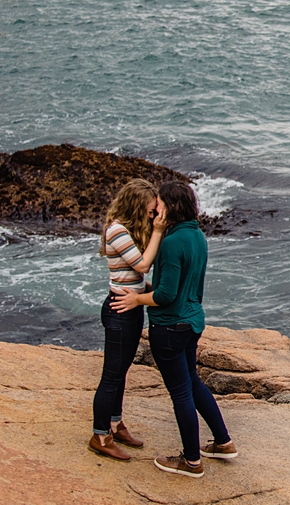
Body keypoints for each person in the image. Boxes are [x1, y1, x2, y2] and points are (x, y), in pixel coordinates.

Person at [112, 180, 238, 478]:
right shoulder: (197, 236)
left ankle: (191, 461)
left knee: (181, 393)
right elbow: (184, 286)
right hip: (192, 321)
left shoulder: (170, 244)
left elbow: (165, 295)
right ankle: (223, 442)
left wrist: (136, 298)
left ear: (169, 206)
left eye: (158, 204)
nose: (154, 210)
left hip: (169, 327)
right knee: (193, 382)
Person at [89, 179, 167, 461]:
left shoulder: (130, 230)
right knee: (111, 375)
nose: (152, 216)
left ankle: (115, 422)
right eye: (149, 211)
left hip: (131, 307)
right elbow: (143, 265)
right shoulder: (118, 231)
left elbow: (136, 277)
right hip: (119, 310)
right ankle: (100, 435)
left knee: (121, 372)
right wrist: (158, 231)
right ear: (136, 206)